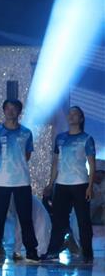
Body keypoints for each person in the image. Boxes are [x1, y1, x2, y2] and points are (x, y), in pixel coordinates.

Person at [0, 99, 39, 263]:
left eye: (14, 108)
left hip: (22, 181)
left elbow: (27, 155)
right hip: (2, 181)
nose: (10, 111)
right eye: (7, 108)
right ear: (4, 111)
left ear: (19, 111)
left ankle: (31, 252)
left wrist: (16, 165)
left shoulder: (26, 133)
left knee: (25, 218)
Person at [43, 106, 96, 262]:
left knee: (83, 221)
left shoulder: (87, 138)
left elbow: (92, 164)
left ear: (81, 118)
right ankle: (53, 251)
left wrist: (90, 186)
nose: (71, 116)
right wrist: (50, 183)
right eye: (70, 114)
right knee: (58, 220)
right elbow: (55, 163)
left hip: (80, 184)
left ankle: (87, 253)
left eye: (75, 114)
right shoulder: (60, 138)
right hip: (62, 184)